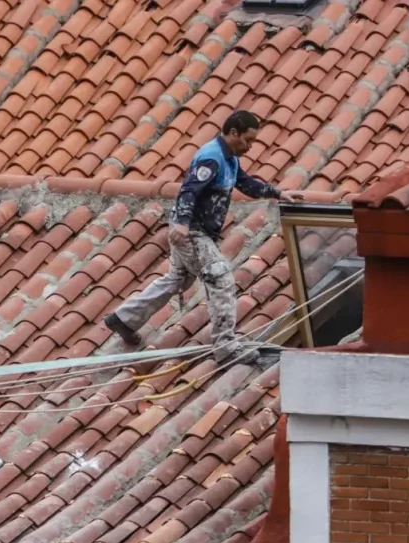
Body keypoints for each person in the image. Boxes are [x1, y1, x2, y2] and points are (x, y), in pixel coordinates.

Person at [104, 110, 304, 365]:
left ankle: (123, 319)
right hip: (193, 233)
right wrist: (184, 225)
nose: (250, 146)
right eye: (248, 140)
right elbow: (188, 191)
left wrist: (277, 193)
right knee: (221, 280)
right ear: (233, 133)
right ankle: (226, 347)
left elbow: (245, 184)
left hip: (192, 231)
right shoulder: (212, 158)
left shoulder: (229, 158)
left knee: (177, 280)